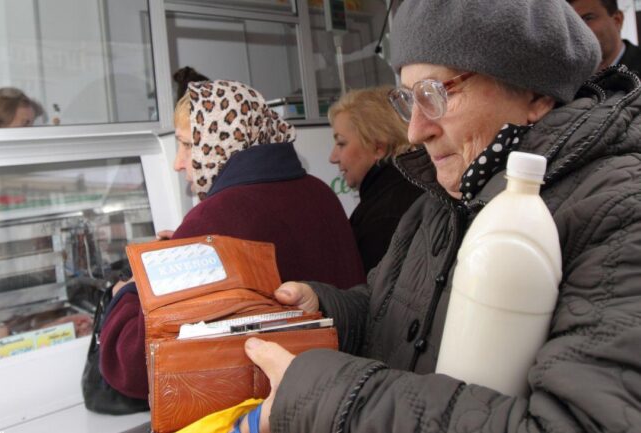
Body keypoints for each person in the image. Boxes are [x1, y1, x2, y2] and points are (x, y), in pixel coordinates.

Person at [237, 1, 641, 432]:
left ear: (536, 94)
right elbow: (389, 313)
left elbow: (577, 423)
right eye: (408, 99)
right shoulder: (441, 200)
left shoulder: (618, 210)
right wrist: (324, 309)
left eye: (436, 93)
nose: (415, 130)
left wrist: (327, 397)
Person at [98, 80, 366, 402]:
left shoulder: (208, 223)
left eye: (187, 145)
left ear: (219, 142)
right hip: (347, 392)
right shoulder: (321, 193)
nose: (178, 162)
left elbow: (134, 367)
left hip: (270, 412)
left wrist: (129, 290)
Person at [328, 86, 422, 273]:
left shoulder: (384, 216)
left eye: (341, 143)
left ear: (378, 147)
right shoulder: (407, 190)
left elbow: (375, 289)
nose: (333, 157)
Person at [568, 0, 641, 73]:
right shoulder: (572, 74)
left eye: (588, 18)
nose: (577, 30)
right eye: (572, 23)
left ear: (617, 20)